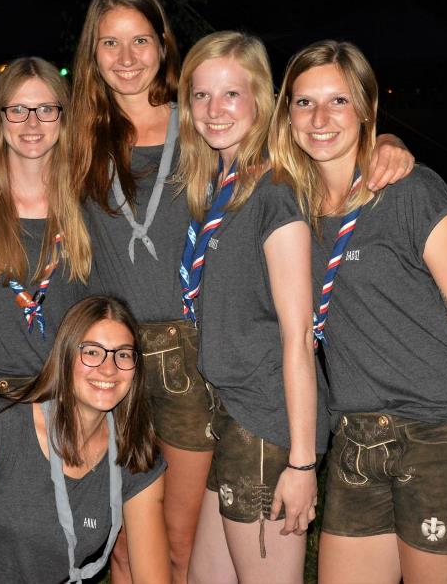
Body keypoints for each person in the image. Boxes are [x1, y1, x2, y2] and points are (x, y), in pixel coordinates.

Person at [0, 0, 414, 583]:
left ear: (163, 45)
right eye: (109, 43)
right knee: (110, 538)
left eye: (140, 41)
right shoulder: (82, 130)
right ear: (91, 52)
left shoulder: (201, 123)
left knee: (173, 540)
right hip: (102, 357)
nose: (126, 58)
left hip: (185, 361)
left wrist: (382, 141)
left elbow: (297, 147)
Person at [269, 40, 447, 583]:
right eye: (304, 102)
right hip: (356, 437)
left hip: (437, 435)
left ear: (366, 108)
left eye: (338, 100)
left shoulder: (412, 193)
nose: (319, 118)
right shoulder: (292, 209)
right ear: (286, 113)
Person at [177, 31, 324, 584]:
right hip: (230, 414)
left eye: (231, 94)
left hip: (266, 420)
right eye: (201, 95)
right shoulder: (222, 186)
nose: (214, 110)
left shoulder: (275, 194)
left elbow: (299, 335)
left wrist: (302, 462)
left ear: (261, 99)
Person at [0, 295, 170, 583]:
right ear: (65, 356)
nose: (109, 369)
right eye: (92, 352)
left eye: (123, 354)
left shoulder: (133, 451)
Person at [0, 57, 91, 432]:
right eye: (18, 110)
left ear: (63, 117)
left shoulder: (88, 206)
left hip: (62, 396)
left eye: (46, 109)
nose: (32, 123)